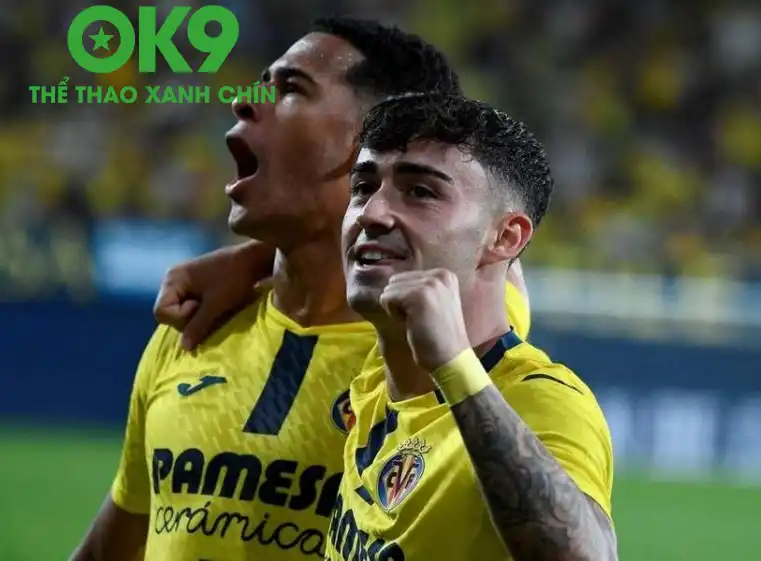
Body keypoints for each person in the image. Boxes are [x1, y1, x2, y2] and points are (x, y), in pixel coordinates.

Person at [71, 17, 530, 561]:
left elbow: (488, 250)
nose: (244, 101)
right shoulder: (194, 328)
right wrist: (260, 257)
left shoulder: (440, 346)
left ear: (377, 138)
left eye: (291, 88)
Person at [324, 92, 616, 561]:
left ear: (504, 237)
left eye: (421, 192)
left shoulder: (542, 400)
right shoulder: (383, 368)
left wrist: (453, 365)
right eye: (363, 187)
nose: (371, 214)